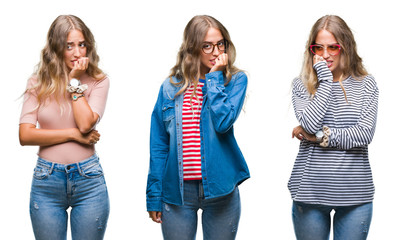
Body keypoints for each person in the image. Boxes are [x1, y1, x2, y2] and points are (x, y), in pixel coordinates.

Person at [146, 15, 250, 240]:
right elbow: (159, 145)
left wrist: (213, 79)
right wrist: (154, 195)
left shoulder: (235, 81)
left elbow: (223, 123)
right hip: (178, 193)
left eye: (220, 44)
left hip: (221, 190)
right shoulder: (170, 87)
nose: (215, 52)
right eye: (207, 46)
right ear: (193, 48)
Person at [19, 15, 110, 240]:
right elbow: (25, 135)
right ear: (57, 48)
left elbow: (86, 123)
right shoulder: (37, 82)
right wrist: (73, 135)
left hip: (88, 180)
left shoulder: (99, 80)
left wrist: (74, 82)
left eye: (82, 45)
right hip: (46, 181)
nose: (77, 53)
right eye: (69, 46)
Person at [289, 15, 378, 240]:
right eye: (318, 48)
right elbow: (309, 123)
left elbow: (364, 134)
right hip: (310, 191)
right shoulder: (301, 84)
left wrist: (319, 136)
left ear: (345, 47)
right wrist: (326, 81)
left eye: (333, 47)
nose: (325, 55)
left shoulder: (366, 84)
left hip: (355, 194)